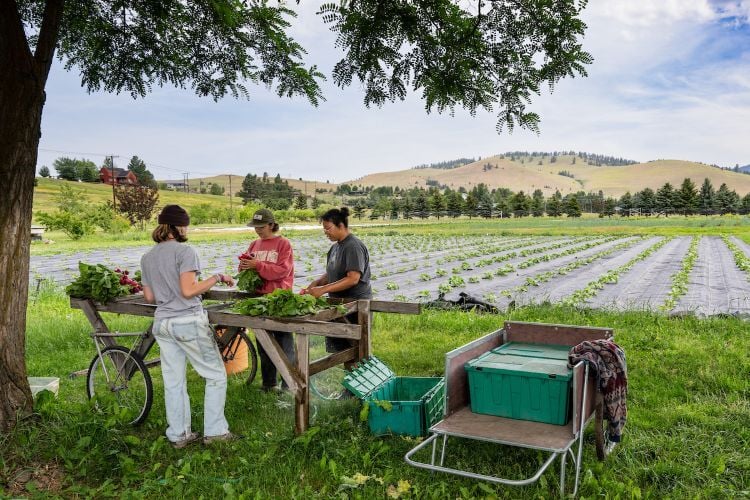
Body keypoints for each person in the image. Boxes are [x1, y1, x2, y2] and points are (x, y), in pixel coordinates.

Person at [140, 204, 238, 448]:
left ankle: (179, 435)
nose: (187, 229)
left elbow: (149, 298)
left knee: (174, 381)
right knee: (215, 375)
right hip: (187, 321)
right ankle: (215, 433)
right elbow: (188, 291)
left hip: (163, 323)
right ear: (177, 226)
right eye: (185, 224)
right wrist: (217, 277)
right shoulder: (185, 252)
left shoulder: (148, 257)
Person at [238, 208, 296, 392]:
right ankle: (269, 383)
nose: (258, 230)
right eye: (255, 226)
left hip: (279, 300)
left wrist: (258, 265)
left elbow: (282, 271)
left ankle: (290, 385)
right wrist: (244, 265)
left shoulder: (283, 244)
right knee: (263, 342)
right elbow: (245, 268)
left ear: (272, 225)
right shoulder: (254, 244)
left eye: (261, 226)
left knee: (284, 342)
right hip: (259, 299)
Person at [301, 207, 371, 353]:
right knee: (341, 352)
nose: (325, 232)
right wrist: (317, 283)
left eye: (328, 228)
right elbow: (332, 274)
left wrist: (322, 290)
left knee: (356, 352)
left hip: (355, 307)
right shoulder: (335, 248)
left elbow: (353, 279)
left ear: (341, 226)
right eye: (324, 229)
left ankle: (356, 375)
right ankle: (348, 375)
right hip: (339, 306)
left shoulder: (353, 246)